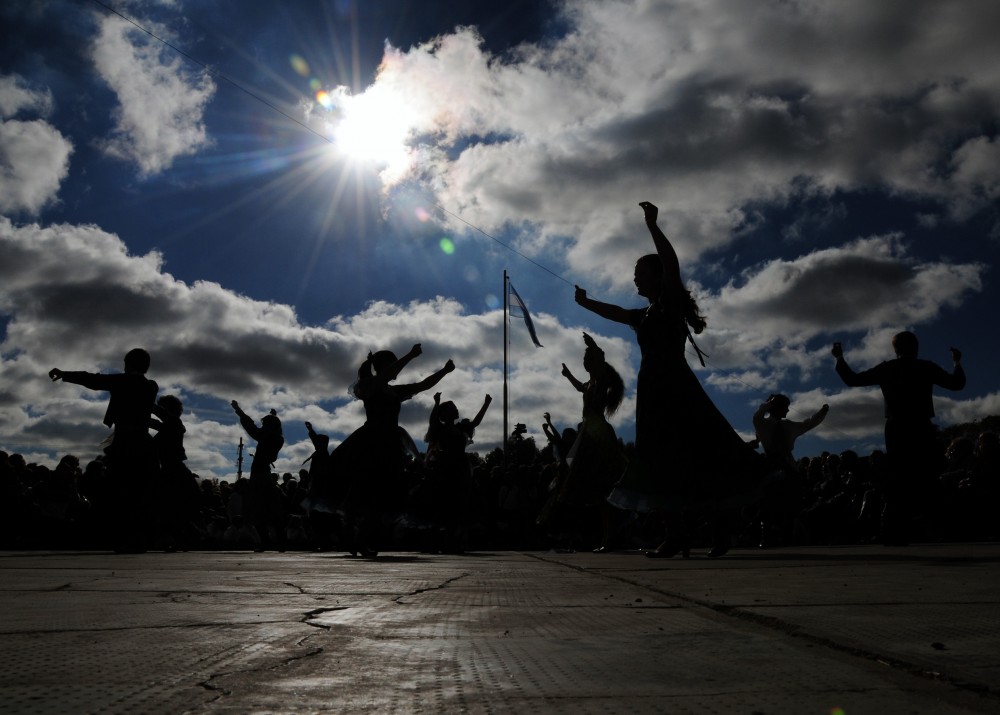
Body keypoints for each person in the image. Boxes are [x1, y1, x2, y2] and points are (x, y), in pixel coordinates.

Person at [574, 201, 765, 557]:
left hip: (677, 387)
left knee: (697, 456)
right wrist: (586, 304)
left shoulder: (671, 301)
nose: (635, 278)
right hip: (652, 391)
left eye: (640, 272)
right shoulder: (643, 314)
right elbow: (615, 312)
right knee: (658, 461)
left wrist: (652, 226)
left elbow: (672, 263)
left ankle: (718, 528)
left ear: (658, 277)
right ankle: (676, 534)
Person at [832, 332, 965, 544]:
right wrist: (957, 363)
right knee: (927, 476)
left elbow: (853, 379)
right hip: (921, 425)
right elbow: (956, 383)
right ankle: (948, 529)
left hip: (897, 427)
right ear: (916, 347)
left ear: (895, 349)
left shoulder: (887, 368)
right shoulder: (926, 367)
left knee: (899, 477)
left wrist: (839, 358)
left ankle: (892, 531)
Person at [333, 344, 455, 556]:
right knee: (364, 492)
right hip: (371, 441)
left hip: (389, 443)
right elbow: (386, 375)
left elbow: (422, 385)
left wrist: (444, 372)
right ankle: (352, 537)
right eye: (393, 364)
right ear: (384, 366)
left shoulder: (393, 391)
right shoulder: (369, 385)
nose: (397, 370)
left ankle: (358, 540)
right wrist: (410, 355)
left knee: (380, 495)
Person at [49, 348, 158, 551]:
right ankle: (138, 537)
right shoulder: (151, 386)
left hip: (125, 442)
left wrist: (65, 374)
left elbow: (93, 380)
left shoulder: (122, 381)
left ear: (128, 365)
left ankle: (120, 536)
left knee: (120, 490)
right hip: (143, 442)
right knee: (139, 490)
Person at [540, 333, 627, 552]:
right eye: (584, 359)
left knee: (603, 487)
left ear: (598, 362)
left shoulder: (601, 380)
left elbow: (598, 369)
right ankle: (607, 536)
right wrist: (568, 375)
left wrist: (595, 346)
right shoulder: (591, 383)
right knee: (597, 491)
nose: (585, 362)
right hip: (588, 433)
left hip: (597, 435)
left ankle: (611, 536)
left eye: (589, 359)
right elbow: (581, 387)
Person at [417, 391, 492, 551]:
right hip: (445, 467)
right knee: (443, 503)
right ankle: (434, 542)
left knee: (459, 503)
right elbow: (432, 422)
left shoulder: (461, 427)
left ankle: (452, 542)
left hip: (461, 467)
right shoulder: (440, 429)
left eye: (455, 407)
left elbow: (476, 422)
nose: (456, 410)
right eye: (452, 408)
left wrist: (486, 404)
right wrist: (436, 404)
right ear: (444, 414)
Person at [231, 401, 285, 551]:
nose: (263, 427)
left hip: (259, 475)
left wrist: (239, 411)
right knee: (270, 509)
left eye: (265, 424)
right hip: (264, 474)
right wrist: (273, 416)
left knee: (257, 509)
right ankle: (279, 542)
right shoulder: (277, 438)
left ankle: (268, 541)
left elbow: (252, 427)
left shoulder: (269, 437)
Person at [752, 394, 829, 474]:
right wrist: (771, 402)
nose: (788, 410)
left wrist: (822, 412)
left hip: (791, 469)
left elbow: (808, 424)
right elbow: (757, 415)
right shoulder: (762, 424)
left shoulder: (788, 425)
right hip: (772, 469)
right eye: (785, 407)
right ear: (777, 407)